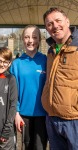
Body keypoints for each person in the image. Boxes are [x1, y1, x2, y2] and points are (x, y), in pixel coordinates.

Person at [41, 7, 78, 150]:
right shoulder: (51, 50)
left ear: (67, 22)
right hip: (52, 119)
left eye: (58, 21)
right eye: (49, 24)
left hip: (74, 120)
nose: (55, 26)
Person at [10, 25, 48, 150]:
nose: (30, 40)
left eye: (34, 37)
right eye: (27, 37)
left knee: (40, 146)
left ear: (39, 40)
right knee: (27, 146)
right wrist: (16, 113)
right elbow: (13, 92)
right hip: (23, 115)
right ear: (22, 39)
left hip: (43, 114)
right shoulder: (16, 64)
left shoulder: (46, 60)